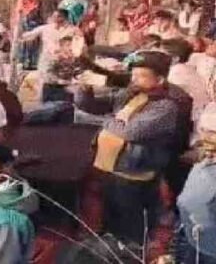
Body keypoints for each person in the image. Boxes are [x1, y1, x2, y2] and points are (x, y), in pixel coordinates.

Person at [76, 51, 181, 245]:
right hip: (109, 168)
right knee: (108, 218)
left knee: (130, 225)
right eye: (133, 75)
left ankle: (130, 252)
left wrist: (102, 120)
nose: (134, 79)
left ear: (159, 79)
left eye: (141, 76)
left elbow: (131, 131)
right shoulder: (131, 94)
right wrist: (84, 90)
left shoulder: (166, 107)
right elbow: (91, 105)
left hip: (132, 174)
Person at [173, 104, 216, 264]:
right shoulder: (202, 162)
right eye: (203, 130)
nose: (205, 137)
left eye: (213, 133)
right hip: (192, 240)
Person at [17, 0, 43, 71]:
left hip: (35, 27)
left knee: (34, 45)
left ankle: (33, 63)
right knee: (25, 45)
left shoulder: (37, 4)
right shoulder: (23, 4)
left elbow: (40, 17)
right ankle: (25, 62)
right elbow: (20, 16)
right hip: (25, 27)